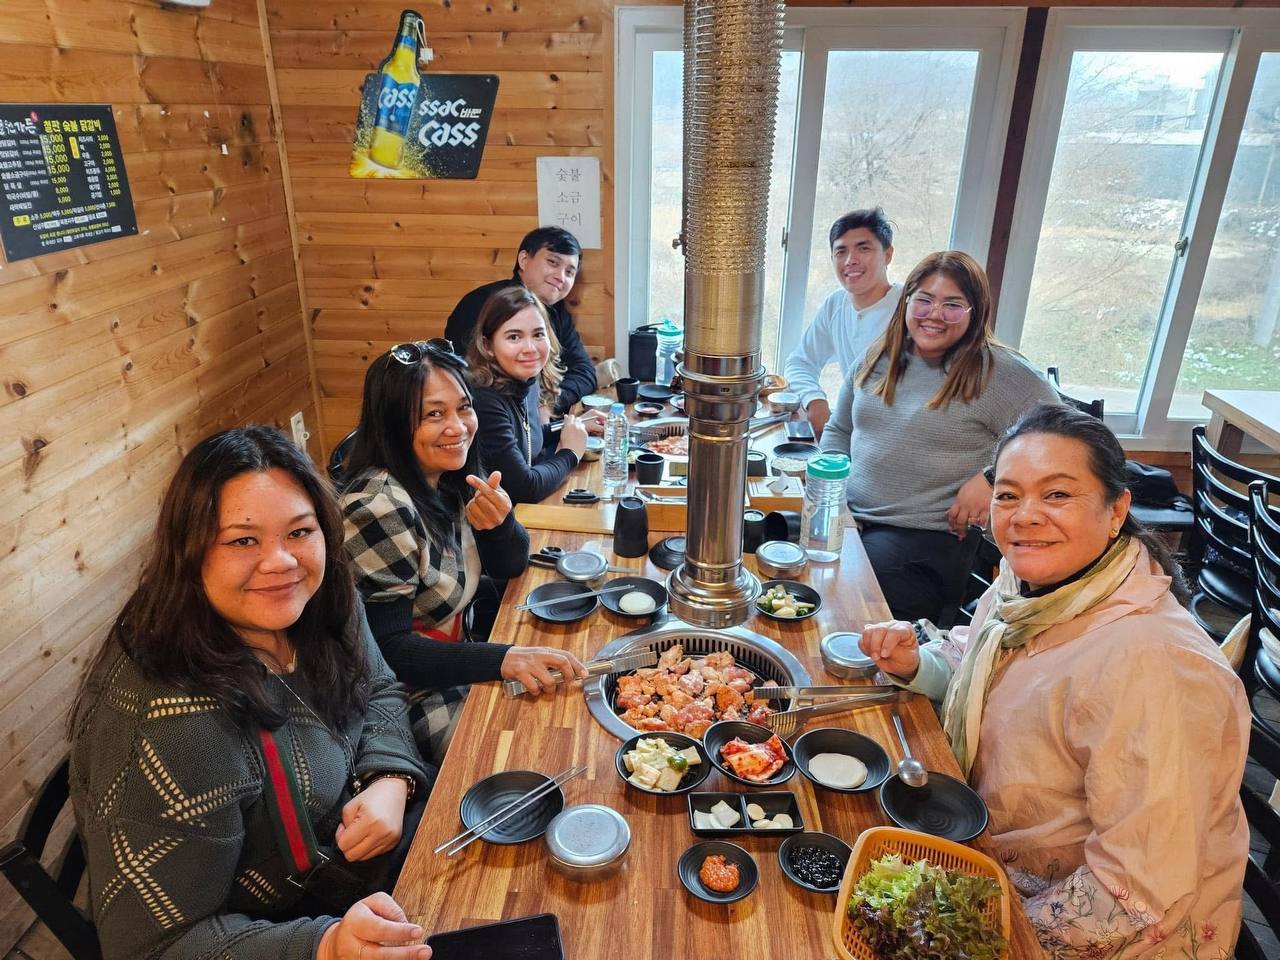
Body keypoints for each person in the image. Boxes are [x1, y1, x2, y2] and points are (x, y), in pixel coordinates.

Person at [859, 403, 1249, 959]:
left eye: (1058, 494)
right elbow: (983, 670)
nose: (1025, 516)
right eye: (1008, 495)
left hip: (1096, 931)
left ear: (1117, 510)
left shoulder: (1155, 666)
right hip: (986, 848)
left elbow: (1135, 888)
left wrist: (979, 934)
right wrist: (917, 665)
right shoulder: (1027, 588)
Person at [69, 426, 434, 960]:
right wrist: (326, 946)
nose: (281, 561)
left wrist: (390, 778)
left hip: (369, 869)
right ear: (190, 551)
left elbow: (378, 685)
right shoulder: (171, 726)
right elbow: (153, 947)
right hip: (291, 926)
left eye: (299, 532)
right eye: (243, 540)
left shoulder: (323, 600)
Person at [341, 338, 586, 759]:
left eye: (463, 407)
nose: (458, 427)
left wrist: (500, 525)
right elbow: (389, 649)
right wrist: (502, 659)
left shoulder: (447, 476)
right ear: (393, 423)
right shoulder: (379, 508)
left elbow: (510, 565)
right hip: (405, 697)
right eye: (434, 414)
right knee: (538, 748)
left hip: (453, 660)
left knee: (569, 701)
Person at [819, 250, 1059, 624]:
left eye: (952, 305)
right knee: (769, 549)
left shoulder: (999, 373)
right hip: (850, 518)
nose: (934, 314)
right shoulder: (878, 356)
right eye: (925, 300)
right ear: (906, 301)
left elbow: (1063, 439)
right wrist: (828, 493)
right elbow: (839, 429)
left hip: (924, 538)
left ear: (974, 313)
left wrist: (992, 477)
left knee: (846, 600)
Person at [445, 226, 596, 415]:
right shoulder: (480, 305)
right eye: (552, 262)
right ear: (524, 260)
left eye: (569, 272)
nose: (561, 277)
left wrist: (549, 403)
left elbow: (584, 371)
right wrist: (535, 408)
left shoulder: (557, 311)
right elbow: (469, 382)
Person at [467, 285, 595, 505]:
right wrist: (571, 452)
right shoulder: (484, 401)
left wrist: (573, 426)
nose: (530, 348)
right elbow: (525, 487)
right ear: (487, 346)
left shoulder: (527, 380)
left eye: (538, 334)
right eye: (514, 337)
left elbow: (527, 437)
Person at [783, 208, 901, 438]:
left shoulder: (911, 310)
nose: (850, 260)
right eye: (841, 251)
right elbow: (800, 362)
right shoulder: (836, 304)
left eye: (863, 248)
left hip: (895, 438)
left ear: (888, 255)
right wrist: (814, 399)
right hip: (852, 433)